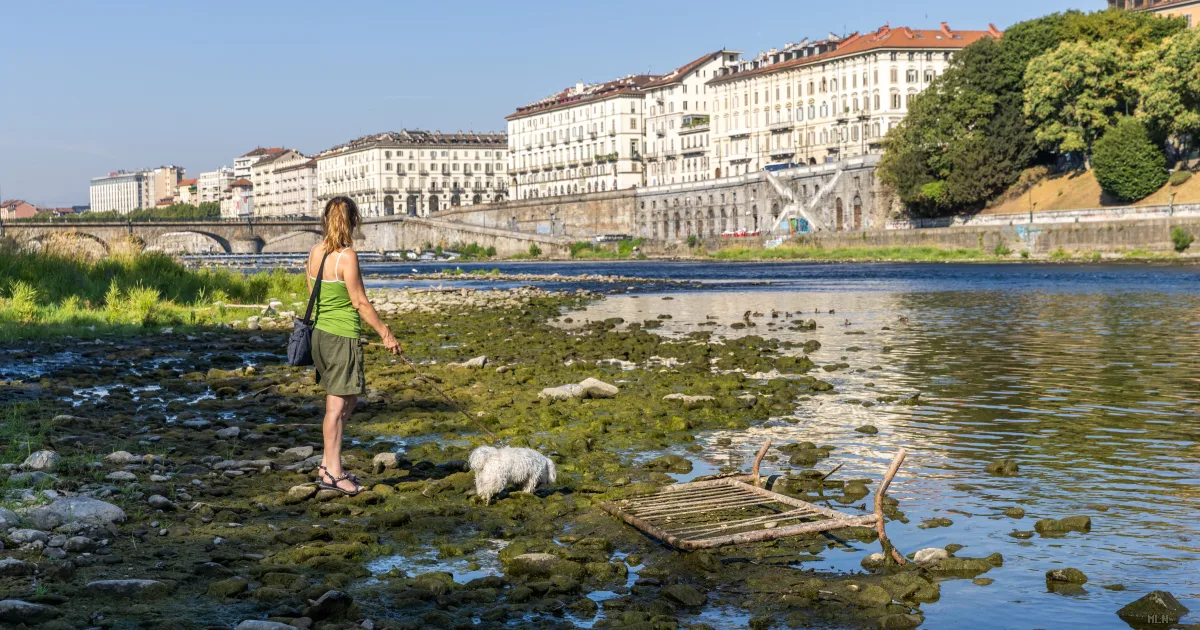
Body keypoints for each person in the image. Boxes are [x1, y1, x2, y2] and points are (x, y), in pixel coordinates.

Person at [305, 196, 400, 495]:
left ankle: (325, 462)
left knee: (349, 399)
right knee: (336, 406)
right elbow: (359, 302)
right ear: (353, 221)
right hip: (341, 336)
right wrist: (386, 334)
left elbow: (313, 296)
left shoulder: (313, 252)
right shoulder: (346, 256)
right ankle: (333, 473)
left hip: (320, 336)